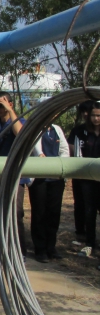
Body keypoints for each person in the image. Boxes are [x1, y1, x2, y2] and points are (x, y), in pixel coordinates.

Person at [0, 91, 28, 259]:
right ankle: (2, 248)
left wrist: (10, 111)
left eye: (0, 106)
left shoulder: (20, 122)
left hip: (15, 176)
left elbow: (20, 133)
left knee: (15, 213)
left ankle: (19, 252)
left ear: (10, 104)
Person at [30, 122, 69, 262]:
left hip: (56, 178)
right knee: (39, 212)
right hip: (39, 178)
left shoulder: (56, 129)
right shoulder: (34, 128)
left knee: (54, 212)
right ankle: (40, 249)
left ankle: (51, 247)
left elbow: (64, 149)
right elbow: (34, 147)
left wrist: (61, 166)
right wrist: (40, 155)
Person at [67, 101, 100, 258]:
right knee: (89, 210)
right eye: (93, 115)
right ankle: (89, 243)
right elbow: (77, 154)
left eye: (98, 116)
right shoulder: (80, 132)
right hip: (87, 179)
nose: (96, 118)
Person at [69, 100, 93, 244]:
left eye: (88, 111)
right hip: (80, 174)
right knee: (80, 204)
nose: (85, 114)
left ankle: (91, 237)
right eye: (83, 111)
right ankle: (81, 233)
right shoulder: (77, 131)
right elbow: (72, 149)